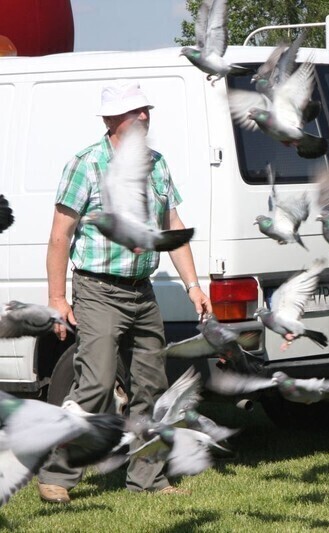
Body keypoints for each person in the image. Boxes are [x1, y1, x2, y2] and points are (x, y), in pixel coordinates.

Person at [37, 80, 212, 503]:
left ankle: (147, 478)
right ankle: (56, 475)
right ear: (113, 120)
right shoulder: (86, 164)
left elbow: (173, 228)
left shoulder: (157, 163)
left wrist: (193, 285)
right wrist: (58, 299)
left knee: (151, 387)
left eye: (147, 110)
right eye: (137, 112)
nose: (146, 117)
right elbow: (60, 236)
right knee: (95, 385)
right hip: (97, 290)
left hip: (142, 290)